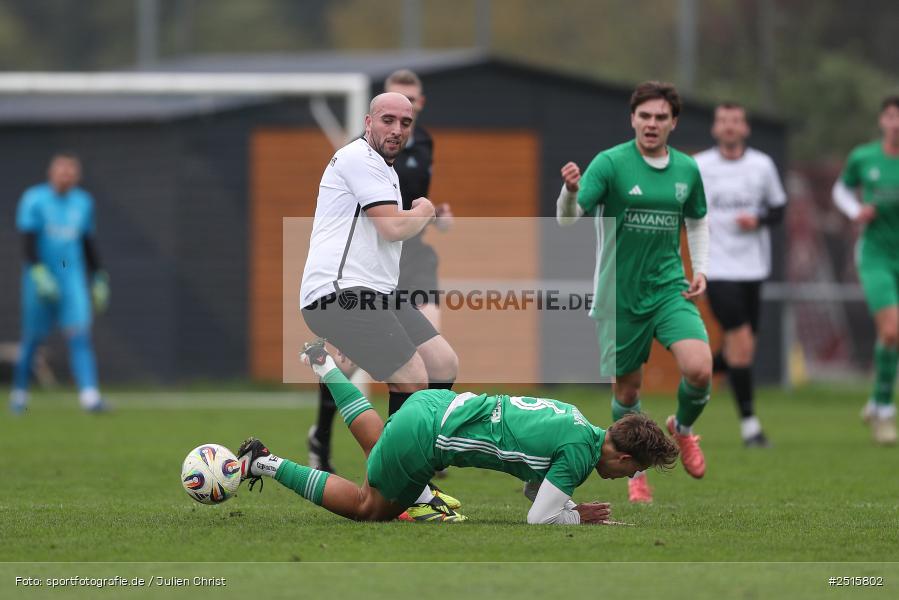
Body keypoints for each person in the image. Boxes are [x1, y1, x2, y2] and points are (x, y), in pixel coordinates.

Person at [235, 339, 679, 524]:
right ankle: (263, 461)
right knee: (372, 507)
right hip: (429, 437)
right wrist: (576, 515)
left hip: (432, 405)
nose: (628, 479)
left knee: (380, 447)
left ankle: (324, 364)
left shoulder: (578, 421)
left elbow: (533, 490)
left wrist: (566, 501)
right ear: (623, 458)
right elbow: (539, 517)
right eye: (634, 472)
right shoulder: (581, 457)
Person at [299, 92, 460, 519]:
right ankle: (408, 489)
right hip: (340, 292)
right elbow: (392, 228)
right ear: (368, 121)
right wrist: (423, 208)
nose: (396, 130)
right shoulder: (359, 159)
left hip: (372, 296)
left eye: (405, 123)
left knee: (442, 363)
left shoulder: (384, 170)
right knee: (411, 376)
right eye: (387, 120)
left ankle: (415, 468)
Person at [556, 81, 712, 504]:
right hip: (618, 297)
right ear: (633, 119)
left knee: (699, 368)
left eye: (661, 117)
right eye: (645, 116)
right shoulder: (610, 163)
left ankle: (681, 428)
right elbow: (569, 219)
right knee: (627, 392)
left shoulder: (687, 170)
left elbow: (696, 221)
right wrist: (569, 192)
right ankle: (634, 469)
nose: (652, 123)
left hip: (668, 288)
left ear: (673, 122)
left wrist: (700, 269)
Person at [694, 102, 787, 448]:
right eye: (723, 121)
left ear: (745, 128)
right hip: (717, 269)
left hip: (753, 269)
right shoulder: (700, 166)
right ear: (715, 128)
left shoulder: (761, 165)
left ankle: (695, 374)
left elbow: (778, 208)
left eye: (736, 121)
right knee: (742, 345)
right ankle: (751, 428)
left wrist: (758, 220)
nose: (729, 126)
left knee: (740, 354)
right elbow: (683, 209)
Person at [9, 153, 110, 414]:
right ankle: (19, 394)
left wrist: (99, 275)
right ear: (51, 173)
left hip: (71, 279)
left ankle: (90, 396)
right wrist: (39, 272)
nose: (66, 176)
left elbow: (87, 242)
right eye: (61, 171)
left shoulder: (84, 203)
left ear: (77, 176)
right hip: (40, 279)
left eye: (71, 172)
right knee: (32, 339)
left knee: (79, 335)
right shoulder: (34, 199)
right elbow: (28, 241)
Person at [832, 95, 899, 445]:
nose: (897, 122)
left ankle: (875, 400)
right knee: (890, 332)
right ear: (882, 120)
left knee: (894, 336)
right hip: (875, 257)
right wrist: (855, 210)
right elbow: (840, 190)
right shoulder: (864, 157)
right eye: (891, 115)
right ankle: (885, 412)